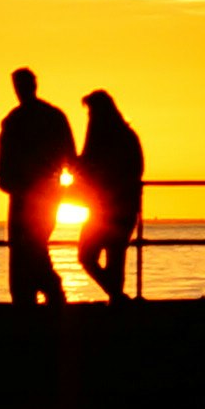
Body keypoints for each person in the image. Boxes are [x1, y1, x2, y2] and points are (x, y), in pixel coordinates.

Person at [0, 66, 79, 305]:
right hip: (43, 191)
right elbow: (70, 155)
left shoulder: (16, 119)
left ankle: (41, 292)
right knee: (32, 244)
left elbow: (5, 154)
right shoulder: (51, 116)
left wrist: (4, 178)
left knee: (26, 246)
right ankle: (40, 293)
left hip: (28, 192)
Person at [75, 88, 148, 301]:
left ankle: (117, 297)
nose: (89, 118)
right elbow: (137, 169)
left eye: (90, 113)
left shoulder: (106, 139)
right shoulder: (127, 136)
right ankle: (117, 297)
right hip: (124, 206)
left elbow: (91, 166)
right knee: (114, 257)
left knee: (87, 255)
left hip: (105, 207)